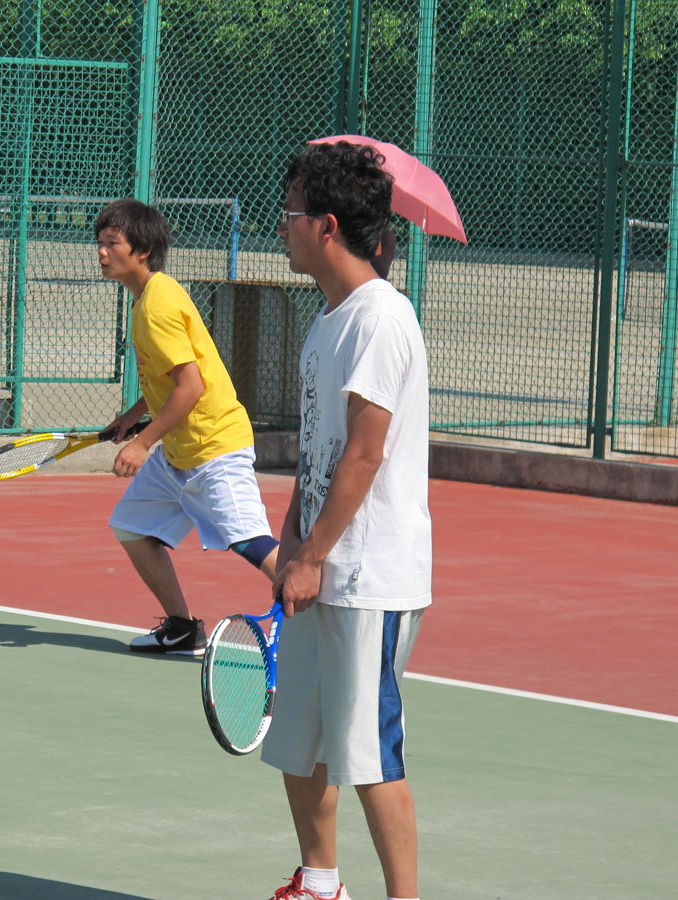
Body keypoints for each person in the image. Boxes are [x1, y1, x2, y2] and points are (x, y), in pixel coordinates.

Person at [260, 141, 432, 900]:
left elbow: (364, 454)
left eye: (291, 212)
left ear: (326, 226)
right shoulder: (327, 321)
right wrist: (293, 536)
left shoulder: (381, 319)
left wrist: (313, 556)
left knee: (370, 757)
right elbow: (320, 449)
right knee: (300, 743)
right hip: (321, 564)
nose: (281, 225)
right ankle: (321, 883)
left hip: (369, 577)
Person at [93, 198, 280, 656]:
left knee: (251, 543)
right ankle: (181, 628)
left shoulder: (155, 307)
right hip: (180, 453)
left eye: (112, 243)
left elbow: (191, 387)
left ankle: (328, 615)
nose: (101, 252)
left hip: (214, 447)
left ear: (142, 251)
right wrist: (134, 415)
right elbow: (170, 375)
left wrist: (141, 443)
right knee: (132, 526)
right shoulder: (152, 295)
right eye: (99, 243)